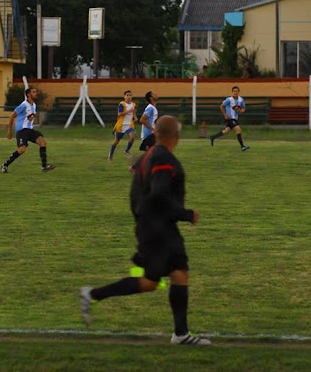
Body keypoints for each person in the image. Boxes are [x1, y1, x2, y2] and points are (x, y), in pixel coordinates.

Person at [80, 115, 211, 346]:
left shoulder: (146, 157)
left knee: (173, 275)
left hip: (154, 226)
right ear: (177, 136)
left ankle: (180, 334)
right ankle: (92, 294)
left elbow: (135, 196)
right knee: (157, 279)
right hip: (158, 228)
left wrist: (141, 220)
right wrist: (186, 214)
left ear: (157, 134)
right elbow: (159, 194)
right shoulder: (163, 158)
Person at [1, 87, 55, 173]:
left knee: (43, 142)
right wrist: (10, 131)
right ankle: (5, 165)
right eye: (34, 92)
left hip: (29, 130)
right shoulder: (24, 105)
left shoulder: (33, 105)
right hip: (22, 131)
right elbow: (12, 116)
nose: (36, 93)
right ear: (28, 94)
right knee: (22, 150)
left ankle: (44, 166)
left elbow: (29, 118)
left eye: (36, 92)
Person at [209, 86, 250, 151]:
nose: (235, 92)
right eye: (234, 91)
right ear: (232, 92)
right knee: (238, 129)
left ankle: (213, 137)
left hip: (235, 118)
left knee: (226, 131)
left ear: (238, 92)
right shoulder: (229, 100)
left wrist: (242, 110)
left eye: (236, 91)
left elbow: (243, 108)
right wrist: (225, 114)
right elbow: (222, 106)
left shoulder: (241, 99)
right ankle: (242, 147)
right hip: (230, 118)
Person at [108, 90, 137, 161]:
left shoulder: (133, 104)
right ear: (124, 96)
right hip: (121, 126)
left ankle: (127, 151)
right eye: (127, 95)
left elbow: (133, 112)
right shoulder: (122, 104)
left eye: (130, 95)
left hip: (130, 125)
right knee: (117, 141)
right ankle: (111, 154)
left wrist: (135, 117)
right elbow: (119, 114)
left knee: (132, 136)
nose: (129, 97)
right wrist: (128, 111)